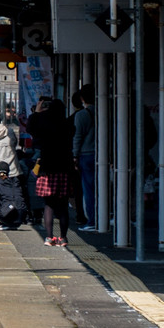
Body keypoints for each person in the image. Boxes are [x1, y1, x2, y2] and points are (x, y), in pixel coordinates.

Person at [27, 97, 75, 247]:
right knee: (62, 205)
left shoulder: (42, 124)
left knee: (49, 205)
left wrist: (37, 111)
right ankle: (63, 238)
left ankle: (49, 238)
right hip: (64, 168)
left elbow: (30, 128)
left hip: (47, 169)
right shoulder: (68, 125)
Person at [72, 84, 97, 231]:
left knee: (88, 189)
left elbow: (77, 137)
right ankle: (106, 216)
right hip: (104, 156)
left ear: (82, 98)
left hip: (86, 155)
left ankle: (92, 220)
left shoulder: (81, 115)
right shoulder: (105, 112)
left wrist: (74, 156)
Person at [67, 91, 88, 227]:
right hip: (94, 156)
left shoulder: (72, 119)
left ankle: (81, 215)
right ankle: (95, 215)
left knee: (79, 189)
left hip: (77, 157)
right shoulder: (97, 114)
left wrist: (74, 156)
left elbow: (75, 139)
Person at [0, 161, 27, 230]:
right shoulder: (17, 183)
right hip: (22, 215)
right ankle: (12, 223)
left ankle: (4, 223)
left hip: (6, 216)